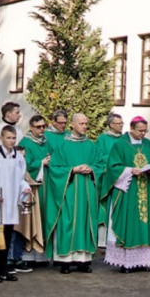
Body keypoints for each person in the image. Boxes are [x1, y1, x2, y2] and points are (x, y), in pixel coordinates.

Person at [101, 116, 150, 273]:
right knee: (128, 223)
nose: (143, 134)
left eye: (145, 131)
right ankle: (126, 262)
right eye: (140, 131)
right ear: (132, 128)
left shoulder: (149, 144)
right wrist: (130, 170)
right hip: (127, 192)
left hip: (145, 191)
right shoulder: (120, 145)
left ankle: (143, 261)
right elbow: (113, 167)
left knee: (144, 224)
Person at [45, 113, 103, 274]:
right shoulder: (63, 146)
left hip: (87, 192)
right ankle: (65, 261)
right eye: (81, 123)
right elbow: (54, 168)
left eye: (86, 123)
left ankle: (83, 261)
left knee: (85, 222)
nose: (84, 126)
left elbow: (100, 164)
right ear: (73, 125)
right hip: (69, 190)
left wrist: (92, 169)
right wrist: (73, 170)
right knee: (67, 222)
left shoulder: (91, 145)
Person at [0, 125, 31, 283]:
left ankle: (3, 269)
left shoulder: (18, 156)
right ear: (1, 138)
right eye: (8, 138)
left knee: (8, 236)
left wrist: (24, 188)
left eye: (13, 138)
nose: (11, 141)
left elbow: (21, 177)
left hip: (10, 203)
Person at [17, 114, 50, 264]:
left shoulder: (46, 142)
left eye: (44, 126)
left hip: (46, 186)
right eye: (38, 127)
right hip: (32, 187)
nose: (42, 129)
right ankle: (28, 254)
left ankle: (41, 255)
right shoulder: (25, 142)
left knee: (44, 218)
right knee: (31, 219)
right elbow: (24, 165)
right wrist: (41, 162)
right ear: (31, 127)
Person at [95, 112, 124, 245]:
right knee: (107, 205)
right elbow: (100, 156)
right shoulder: (102, 139)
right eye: (119, 123)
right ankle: (103, 239)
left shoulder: (125, 139)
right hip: (108, 178)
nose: (121, 125)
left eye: (122, 123)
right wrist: (115, 162)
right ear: (111, 124)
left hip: (122, 177)